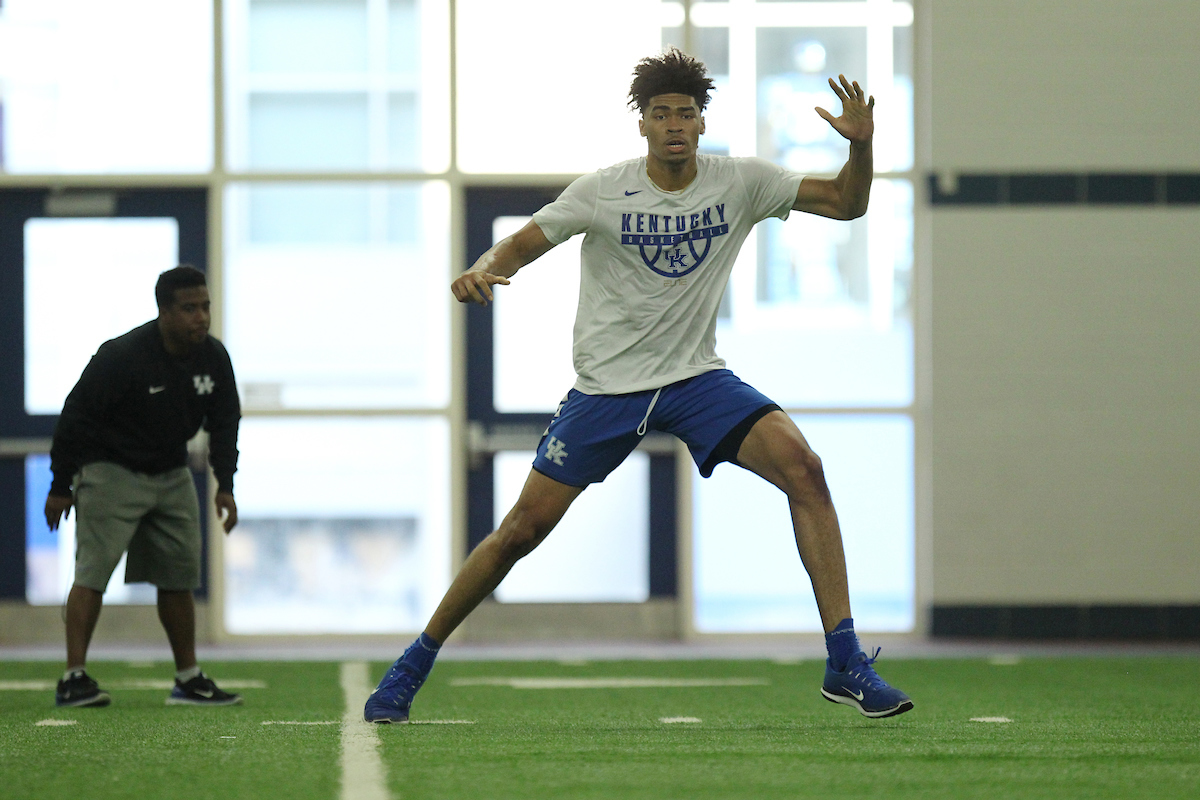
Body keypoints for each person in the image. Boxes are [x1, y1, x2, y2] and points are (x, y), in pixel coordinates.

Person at [365, 48, 912, 723]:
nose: (675, 124)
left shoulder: (741, 181)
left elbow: (848, 205)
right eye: (661, 114)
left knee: (806, 468)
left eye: (686, 113)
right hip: (607, 389)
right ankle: (411, 664)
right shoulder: (604, 190)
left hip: (697, 379)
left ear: (702, 124)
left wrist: (862, 149)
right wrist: (485, 266)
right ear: (644, 126)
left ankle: (845, 660)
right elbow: (527, 243)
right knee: (519, 532)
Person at [45, 265, 243, 708]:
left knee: (178, 575)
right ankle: (73, 677)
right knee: (93, 573)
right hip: (111, 469)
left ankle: (188, 678)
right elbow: (75, 415)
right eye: (189, 309)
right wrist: (61, 485)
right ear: (164, 312)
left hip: (171, 471)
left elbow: (226, 421)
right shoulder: (123, 356)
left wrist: (225, 485)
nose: (201, 318)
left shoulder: (213, 358)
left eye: (205, 306)